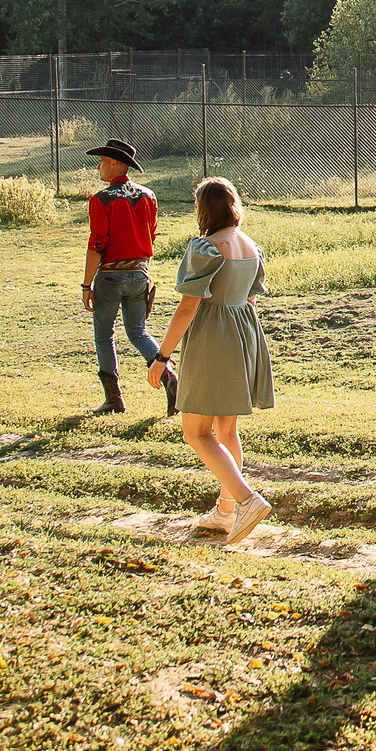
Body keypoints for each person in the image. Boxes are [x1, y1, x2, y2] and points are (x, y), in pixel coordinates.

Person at [148, 177, 273, 545]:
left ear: (204, 209)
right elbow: (250, 301)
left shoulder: (206, 247)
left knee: (196, 432)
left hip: (212, 339)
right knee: (226, 430)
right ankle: (225, 511)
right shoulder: (252, 247)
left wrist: (162, 356)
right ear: (233, 204)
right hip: (244, 335)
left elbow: (188, 307)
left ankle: (247, 500)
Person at [81, 139, 174, 417]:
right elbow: (151, 234)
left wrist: (86, 284)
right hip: (139, 273)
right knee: (138, 332)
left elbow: (97, 243)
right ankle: (169, 377)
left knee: (104, 335)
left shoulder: (101, 199)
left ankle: (114, 398)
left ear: (114, 164)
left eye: (102, 161)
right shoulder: (148, 196)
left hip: (110, 275)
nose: (98, 166)